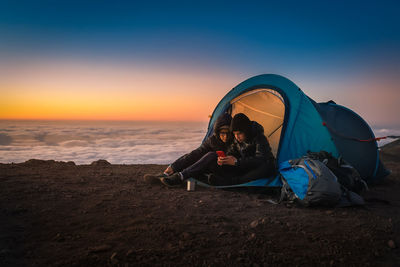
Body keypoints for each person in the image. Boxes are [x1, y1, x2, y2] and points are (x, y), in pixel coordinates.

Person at [143, 113, 232, 187]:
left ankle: (179, 177)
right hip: (212, 168)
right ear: (217, 132)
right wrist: (174, 166)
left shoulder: (236, 142)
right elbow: (196, 153)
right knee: (198, 156)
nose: (225, 136)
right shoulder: (213, 140)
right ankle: (166, 175)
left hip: (226, 170)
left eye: (228, 133)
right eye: (222, 133)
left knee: (211, 155)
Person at [208, 113, 276, 186]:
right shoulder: (236, 140)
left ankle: (234, 182)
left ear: (246, 130)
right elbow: (231, 153)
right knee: (216, 165)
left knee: (267, 167)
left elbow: (261, 160)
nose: (237, 137)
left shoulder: (259, 138)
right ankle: (230, 179)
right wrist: (225, 160)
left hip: (260, 167)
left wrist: (237, 162)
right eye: (234, 134)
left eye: (239, 133)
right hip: (245, 167)